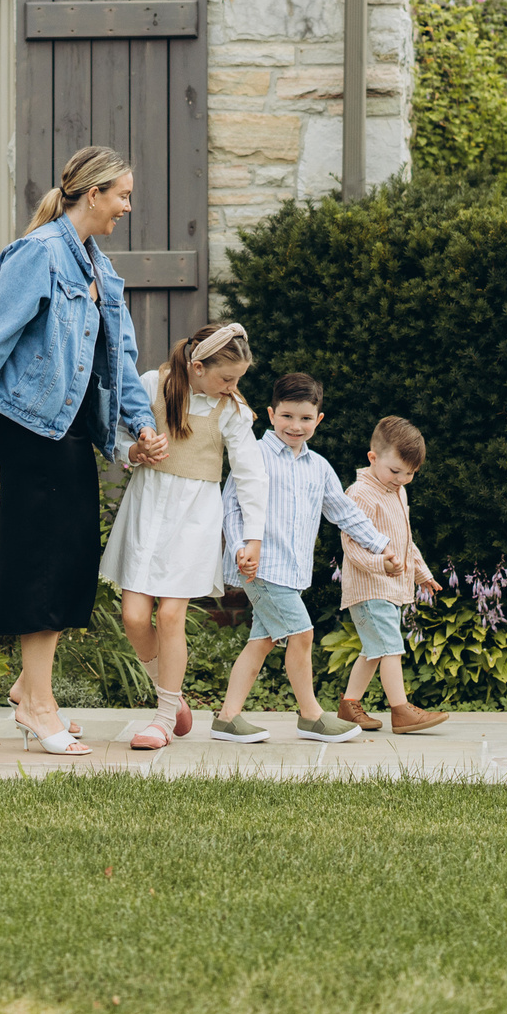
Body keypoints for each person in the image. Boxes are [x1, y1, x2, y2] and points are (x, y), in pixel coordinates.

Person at [0, 144, 166, 755]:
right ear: (93, 194)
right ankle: (37, 705)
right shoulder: (37, 255)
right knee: (42, 562)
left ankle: (32, 691)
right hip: (34, 430)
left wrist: (140, 424)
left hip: (74, 433)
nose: (127, 207)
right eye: (123, 196)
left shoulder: (100, 270)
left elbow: (122, 360)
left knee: (67, 563)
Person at [99, 320, 269, 751]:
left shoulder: (229, 410)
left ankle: (161, 718)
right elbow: (117, 433)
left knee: (171, 616)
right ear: (196, 366)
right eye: (226, 378)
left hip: (194, 518)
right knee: (135, 618)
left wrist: (253, 536)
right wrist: (134, 451)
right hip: (146, 509)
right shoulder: (152, 385)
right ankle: (172, 698)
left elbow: (251, 473)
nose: (232, 387)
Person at [211, 371, 398, 744]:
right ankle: (311, 715)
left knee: (262, 641)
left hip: (293, 571)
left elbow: (344, 512)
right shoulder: (255, 456)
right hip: (262, 567)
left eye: (305, 418)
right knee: (303, 633)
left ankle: (227, 717)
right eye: (287, 416)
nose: (296, 426)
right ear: (270, 413)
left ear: (318, 419)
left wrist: (380, 545)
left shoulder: (319, 467)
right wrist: (239, 547)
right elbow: (231, 508)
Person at [334, 417, 448, 735]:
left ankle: (349, 705)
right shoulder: (360, 494)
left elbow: (405, 539)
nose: (403, 479)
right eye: (396, 471)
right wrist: (379, 565)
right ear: (373, 458)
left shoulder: (396, 492)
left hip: (389, 584)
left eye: (410, 473)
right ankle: (401, 710)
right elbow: (352, 546)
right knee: (390, 646)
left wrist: (421, 573)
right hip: (370, 585)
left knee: (375, 649)